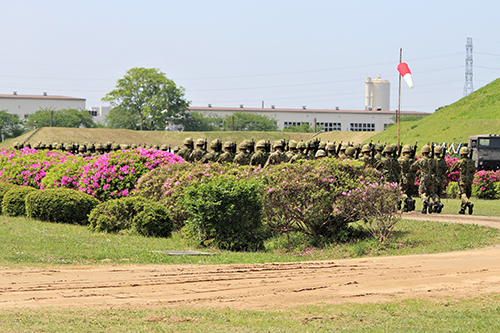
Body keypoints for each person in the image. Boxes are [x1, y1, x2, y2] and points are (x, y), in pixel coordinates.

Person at [411, 145, 442, 214]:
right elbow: (436, 170)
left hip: (424, 178)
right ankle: (437, 202)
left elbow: (412, 167)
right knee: (432, 193)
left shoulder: (421, 160)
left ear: (423, 152)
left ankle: (426, 202)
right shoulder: (434, 161)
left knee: (422, 192)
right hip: (432, 178)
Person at [448, 146, 475, 215]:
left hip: (463, 180)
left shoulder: (460, 162)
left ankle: (468, 203)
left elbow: (452, 169)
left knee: (462, 194)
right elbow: (473, 170)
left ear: (461, 154)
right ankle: (462, 209)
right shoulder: (472, 162)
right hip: (470, 179)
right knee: (467, 194)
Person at [398, 145, 416, 212]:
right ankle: (406, 206)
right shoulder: (414, 160)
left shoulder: (401, 160)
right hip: (412, 178)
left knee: (401, 192)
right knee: (409, 193)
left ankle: (407, 200)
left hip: (404, 178)